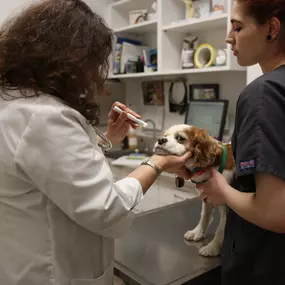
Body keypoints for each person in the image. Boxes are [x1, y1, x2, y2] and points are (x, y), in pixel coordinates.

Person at [0, 1, 192, 284]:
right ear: (69, 58)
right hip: (53, 273)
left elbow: (49, 168)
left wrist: (109, 138)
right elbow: (108, 208)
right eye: (93, 63)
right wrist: (157, 162)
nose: (93, 75)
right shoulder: (43, 117)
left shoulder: (14, 102)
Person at [196, 0, 285, 284]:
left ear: (271, 28)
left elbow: (275, 212)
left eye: (238, 26)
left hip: (264, 265)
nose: (228, 37)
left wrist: (219, 187)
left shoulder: (263, 94)